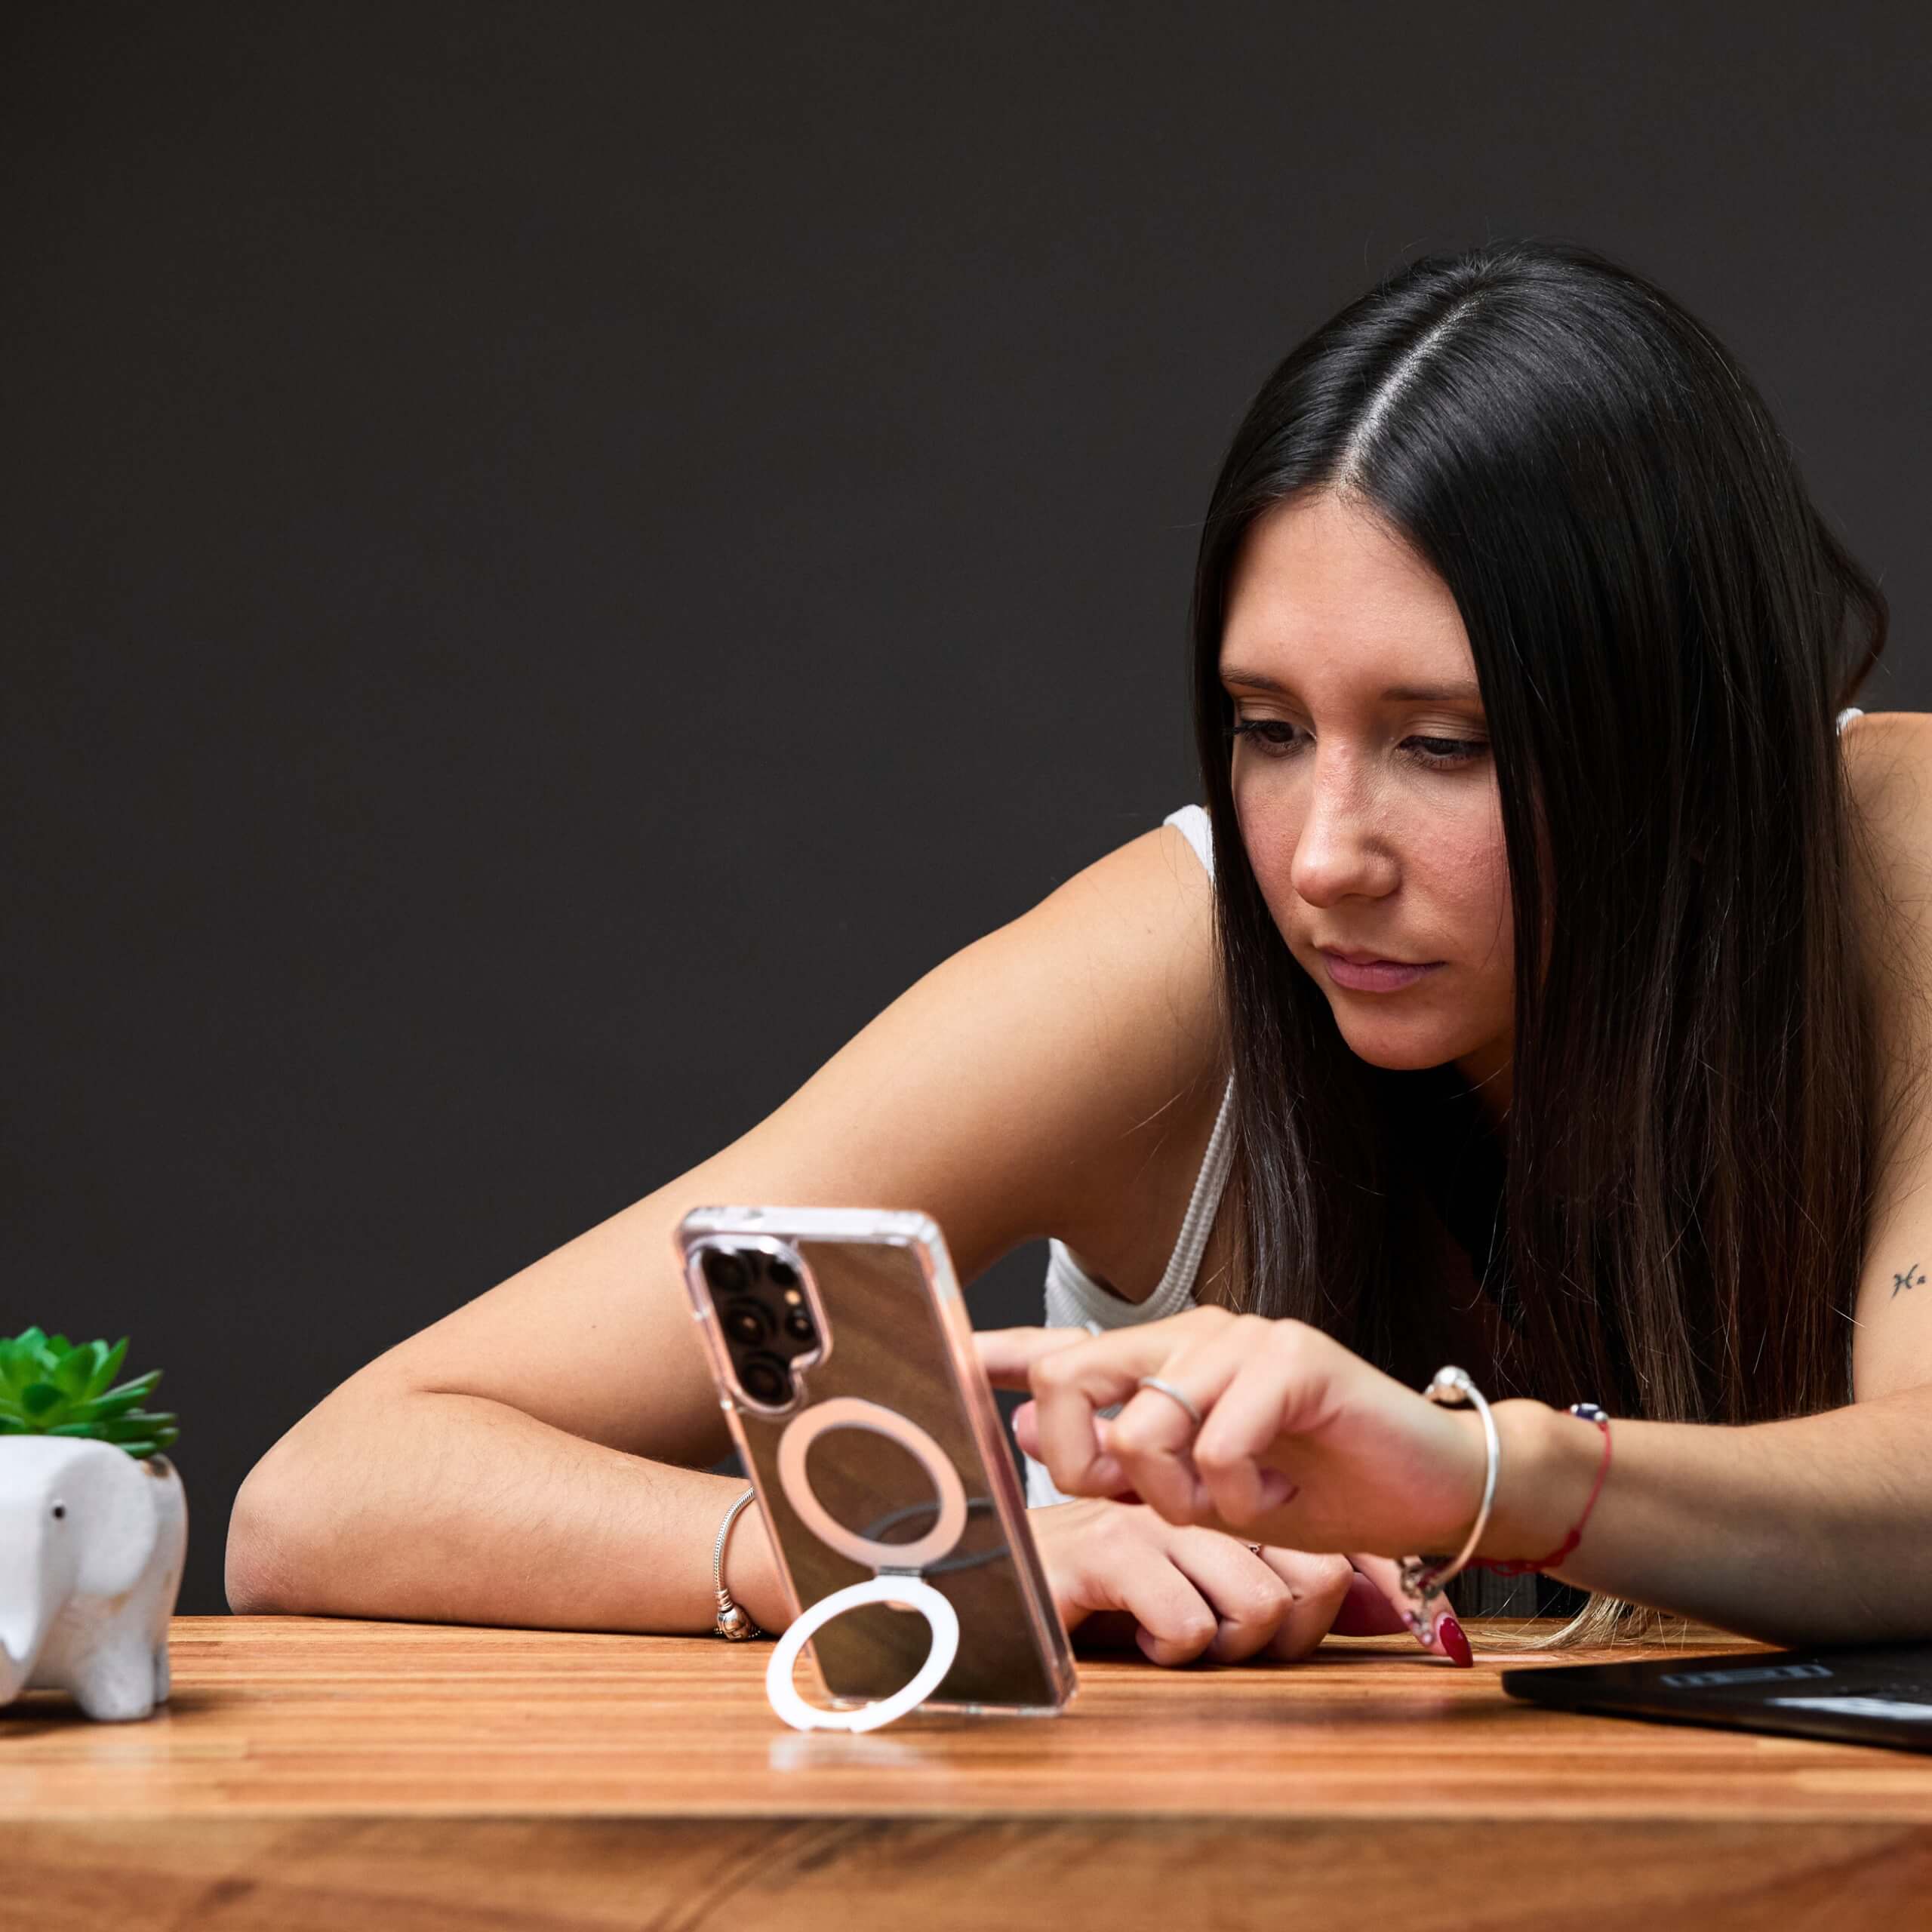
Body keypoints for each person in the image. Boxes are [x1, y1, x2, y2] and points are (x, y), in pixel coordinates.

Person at [226, 238, 1928, 1671]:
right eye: (1267, 727)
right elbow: (336, 1484)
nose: (1323, 853)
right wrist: (897, 1558)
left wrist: (1462, 1471)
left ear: (1684, 736)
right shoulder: (1161, 974)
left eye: (1447, 742)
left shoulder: (1890, 858)